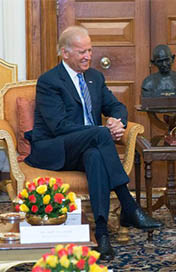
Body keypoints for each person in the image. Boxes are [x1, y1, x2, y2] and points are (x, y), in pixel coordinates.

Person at [24, 25, 163, 260]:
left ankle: (102, 234)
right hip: (55, 148)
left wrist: (117, 121)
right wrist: (101, 130)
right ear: (64, 53)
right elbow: (59, 126)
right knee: (99, 135)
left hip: (87, 147)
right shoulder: (49, 81)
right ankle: (129, 206)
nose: (88, 56)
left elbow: (116, 106)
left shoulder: (95, 77)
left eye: (90, 50)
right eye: (81, 52)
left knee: (95, 155)